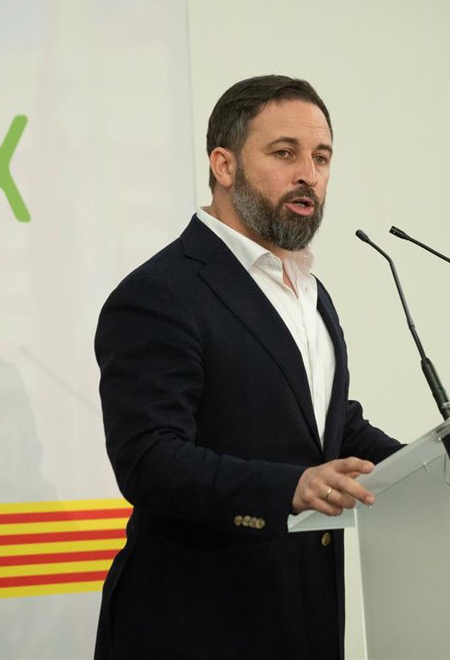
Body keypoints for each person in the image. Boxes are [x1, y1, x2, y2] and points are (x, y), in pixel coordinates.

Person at [94, 75, 402, 659]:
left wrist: (437, 464)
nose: (309, 174)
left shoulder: (309, 292)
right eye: (285, 153)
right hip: (194, 625)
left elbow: (326, 424)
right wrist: (289, 488)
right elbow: (149, 459)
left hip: (304, 618)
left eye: (321, 158)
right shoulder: (159, 294)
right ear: (224, 165)